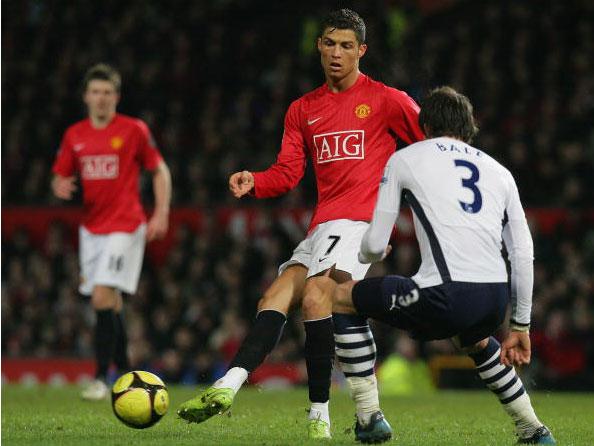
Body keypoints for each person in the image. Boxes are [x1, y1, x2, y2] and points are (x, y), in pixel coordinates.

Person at [177, 8, 423, 442]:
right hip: (322, 226)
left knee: (315, 299)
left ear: (361, 51)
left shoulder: (387, 99)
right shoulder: (303, 109)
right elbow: (287, 174)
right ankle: (227, 386)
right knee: (273, 297)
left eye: (347, 46)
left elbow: (430, 147)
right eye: (330, 43)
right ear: (318, 46)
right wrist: (255, 181)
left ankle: (319, 415)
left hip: (358, 222)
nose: (337, 53)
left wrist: (401, 215)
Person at [332, 86, 556, 444]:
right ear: (469, 127)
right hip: (494, 300)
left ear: (425, 125)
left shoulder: (407, 158)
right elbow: (523, 252)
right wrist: (521, 324)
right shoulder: (500, 172)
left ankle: (368, 415)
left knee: (342, 297)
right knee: (476, 340)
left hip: (447, 294)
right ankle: (533, 428)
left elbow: (374, 244)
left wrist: (362, 256)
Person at [51, 63, 172, 400]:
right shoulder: (74, 135)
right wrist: (59, 184)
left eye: (107, 93)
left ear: (116, 97)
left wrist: (160, 212)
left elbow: (160, 171)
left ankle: (101, 377)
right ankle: (129, 373)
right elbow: (59, 174)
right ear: (86, 97)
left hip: (126, 224)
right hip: (91, 229)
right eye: (95, 92)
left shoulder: (133, 130)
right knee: (110, 304)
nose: (101, 98)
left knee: (103, 295)